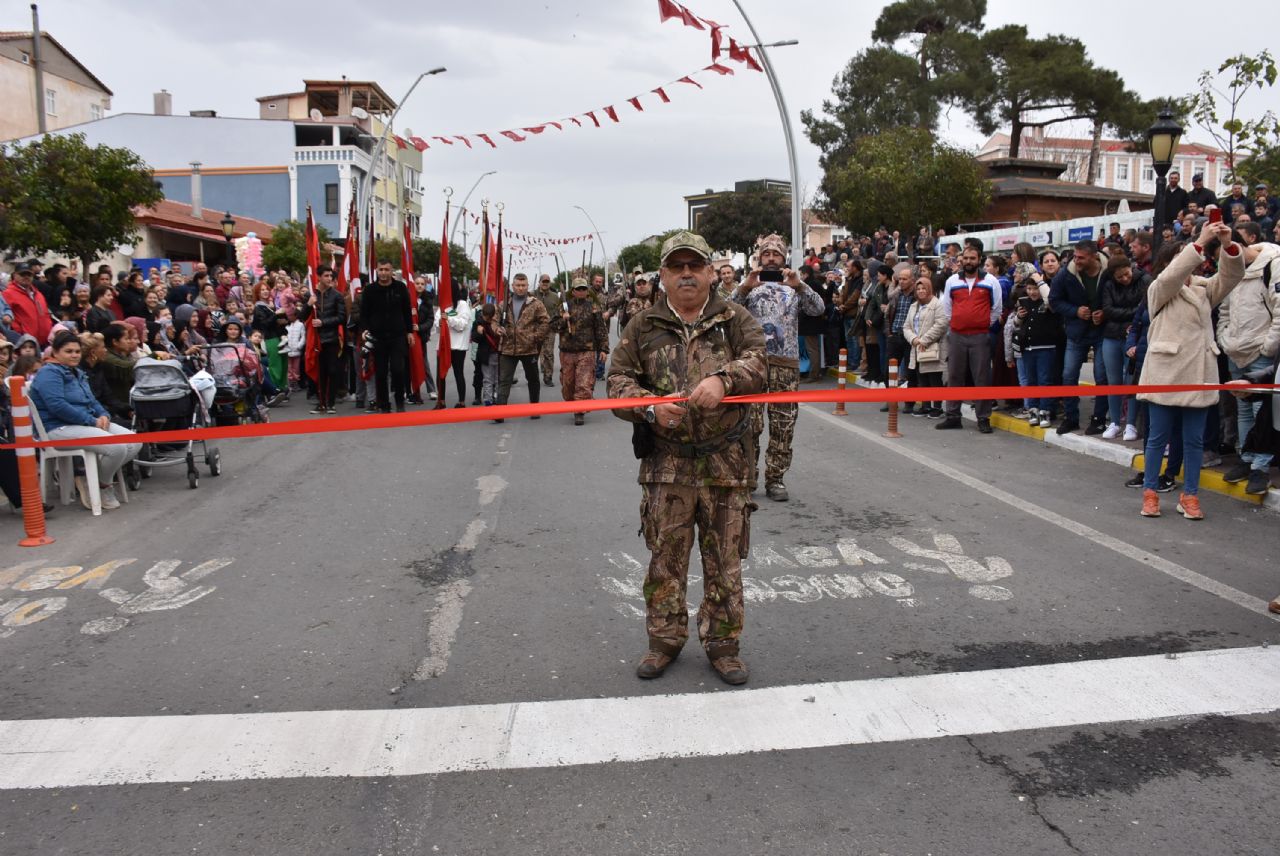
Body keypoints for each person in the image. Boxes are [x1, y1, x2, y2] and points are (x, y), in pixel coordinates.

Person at [607, 229, 766, 685]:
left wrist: (724, 379)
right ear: (662, 276)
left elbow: (758, 362)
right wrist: (650, 407)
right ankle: (664, 641)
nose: (687, 274)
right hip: (666, 463)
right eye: (677, 267)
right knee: (666, 558)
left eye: (695, 266)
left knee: (724, 561)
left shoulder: (735, 319)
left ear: (712, 272)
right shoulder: (643, 326)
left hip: (725, 462)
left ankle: (723, 644)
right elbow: (617, 382)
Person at [1138, 222, 1244, 519]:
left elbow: (1232, 275)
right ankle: (1150, 493)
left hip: (1199, 375)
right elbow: (1173, 276)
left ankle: (1191, 495)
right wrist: (1198, 241)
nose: (1186, 268)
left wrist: (1228, 245)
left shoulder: (1204, 289)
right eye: (1178, 260)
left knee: (1195, 441)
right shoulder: (1158, 288)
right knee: (1157, 439)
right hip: (1164, 375)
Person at [731, 233, 825, 501]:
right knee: (751, 424)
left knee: (783, 423)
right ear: (759, 257)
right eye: (766, 254)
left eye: (776, 254)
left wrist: (800, 286)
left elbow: (818, 309)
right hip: (753, 364)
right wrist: (744, 287)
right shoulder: (749, 287)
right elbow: (726, 311)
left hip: (786, 365)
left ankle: (776, 479)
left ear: (785, 258)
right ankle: (748, 479)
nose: (771, 259)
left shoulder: (794, 287)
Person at [28, 329, 141, 511]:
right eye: (68, 351)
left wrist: (103, 415)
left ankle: (95, 480)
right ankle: (100, 486)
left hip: (84, 422)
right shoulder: (49, 373)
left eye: (77, 351)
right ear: (55, 352)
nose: (74, 355)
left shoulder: (76, 372)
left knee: (134, 442)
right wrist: (91, 420)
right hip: (57, 428)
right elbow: (57, 406)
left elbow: (92, 400)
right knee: (116, 447)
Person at [1215, 235, 1280, 495]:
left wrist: (1267, 347)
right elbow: (1224, 311)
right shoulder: (1232, 271)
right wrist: (1225, 339)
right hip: (1234, 351)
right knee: (1242, 410)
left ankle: (1260, 468)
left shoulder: (1272, 264)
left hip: (1261, 353)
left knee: (1260, 414)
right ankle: (1246, 457)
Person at [936, 243, 1002, 432]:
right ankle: (953, 417)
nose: (968, 262)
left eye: (972, 258)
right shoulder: (952, 281)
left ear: (979, 259)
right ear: (961, 260)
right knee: (954, 376)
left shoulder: (990, 281)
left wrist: (981, 323)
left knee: (982, 377)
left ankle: (983, 418)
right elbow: (947, 307)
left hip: (980, 336)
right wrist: (958, 323)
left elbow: (996, 308)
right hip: (956, 335)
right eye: (965, 258)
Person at [1050, 240, 1109, 435]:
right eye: (1075, 256)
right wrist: (1075, 311)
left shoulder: (1108, 271)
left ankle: (1099, 419)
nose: (1076, 260)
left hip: (1102, 332)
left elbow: (1119, 296)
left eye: (1081, 257)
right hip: (1076, 333)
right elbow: (1054, 300)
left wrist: (1105, 313)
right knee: (1068, 375)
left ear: (1094, 256)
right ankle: (1070, 418)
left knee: (1101, 376)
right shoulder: (1066, 273)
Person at [1098, 254, 1149, 441]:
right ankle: (1114, 421)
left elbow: (1145, 308)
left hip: (1135, 337)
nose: (1125, 279)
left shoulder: (1144, 280)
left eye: (1127, 274)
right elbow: (1108, 309)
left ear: (1131, 267)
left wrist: (1128, 317)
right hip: (1112, 336)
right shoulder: (1109, 285)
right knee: (1113, 381)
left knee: (1131, 382)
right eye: (1120, 277)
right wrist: (1132, 313)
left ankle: (1131, 423)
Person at [493, 273, 550, 423]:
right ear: (512, 286)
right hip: (508, 348)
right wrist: (497, 328)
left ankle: (534, 408)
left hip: (529, 349)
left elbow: (545, 322)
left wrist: (535, 337)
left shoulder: (535, 303)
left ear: (527, 286)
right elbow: (494, 321)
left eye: (523, 285)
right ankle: (500, 411)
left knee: (533, 379)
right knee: (504, 380)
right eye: (518, 285)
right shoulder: (503, 303)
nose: (520, 288)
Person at [360, 261, 414, 413]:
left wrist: (409, 332)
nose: (383, 273)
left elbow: (406, 311)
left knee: (398, 369)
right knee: (381, 372)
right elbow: (364, 313)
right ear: (377, 271)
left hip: (398, 336)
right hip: (378, 337)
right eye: (381, 270)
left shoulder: (400, 288)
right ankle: (384, 404)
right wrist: (364, 329)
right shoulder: (370, 290)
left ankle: (399, 401)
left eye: (386, 270)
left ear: (392, 272)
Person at [558, 277, 608, 426]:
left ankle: (579, 411)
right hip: (567, 351)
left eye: (584, 289)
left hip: (587, 351)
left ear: (587, 291)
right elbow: (552, 326)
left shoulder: (593, 307)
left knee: (583, 383)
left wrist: (603, 349)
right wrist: (562, 319)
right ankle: (573, 402)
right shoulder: (564, 307)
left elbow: (601, 330)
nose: (581, 292)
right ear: (573, 291)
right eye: (578, 289)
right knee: (568, 384)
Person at [298, 265, 347, 414]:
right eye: (326, 275)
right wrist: (308, 305)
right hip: (316, 339)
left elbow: (342, 317)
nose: (329, 278)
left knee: (332, 370)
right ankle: (321, 402)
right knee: (320, 372)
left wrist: (324, 322)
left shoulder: (337, 295)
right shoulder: (310, 295)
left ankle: (331, 402)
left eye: (331, 276)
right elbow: (302, 317)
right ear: (318, 277)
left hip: (331, 338)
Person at [902, 275, 947, 418]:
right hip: (917, 347)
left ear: (929, 289)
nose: (921, 291)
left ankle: (937, 407)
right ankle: (926, 405)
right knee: (922, 378)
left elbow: (941, 324)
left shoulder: (937, 304)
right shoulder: (914, 306)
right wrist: (914, 339)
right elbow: (906, 326)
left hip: (932, 346)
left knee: (934, 378)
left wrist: (924, 340)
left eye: (924, 288)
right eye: (918, 288)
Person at [434, 280, 472, 408]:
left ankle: (461, 401)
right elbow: (437, 325)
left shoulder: (462, 305)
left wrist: (448, 319)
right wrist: (439, 323)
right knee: (440, 374)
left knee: (458, 372)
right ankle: (441, 401)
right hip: (444, 345)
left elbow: (462, 325)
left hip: (457, 346)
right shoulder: (442, 305)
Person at [4, 263, 53, 346]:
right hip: (23, 343)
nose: (26, 277)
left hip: (44, 342)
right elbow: (7, 316)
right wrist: (20, 334)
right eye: (22, 274)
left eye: (29, 274)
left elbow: (45, 315)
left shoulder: (38, 294)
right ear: (15, 275)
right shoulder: (8, 294)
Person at [471, 303, 502, 406]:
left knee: (498, 378)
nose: (486, 320)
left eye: (488, 318)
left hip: (498, 354)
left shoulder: (498, 323)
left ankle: (497, 397)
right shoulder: (479, 323)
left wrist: (500, 333)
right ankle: (487, 399)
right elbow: (474, 338)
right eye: (485, 317)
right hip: (486, 355)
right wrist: (479, 333)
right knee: (487, 378)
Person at [534, 275, 561, 387]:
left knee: (549, 353)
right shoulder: (532, 295)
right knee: (534, 354)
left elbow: (559, 312)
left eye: (547, 282)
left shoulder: (555, 297)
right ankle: (533, 377)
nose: (545, 284)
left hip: (550, 329)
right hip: (535, 329)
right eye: (543, 281)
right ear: (539, 282)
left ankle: (548, 376)